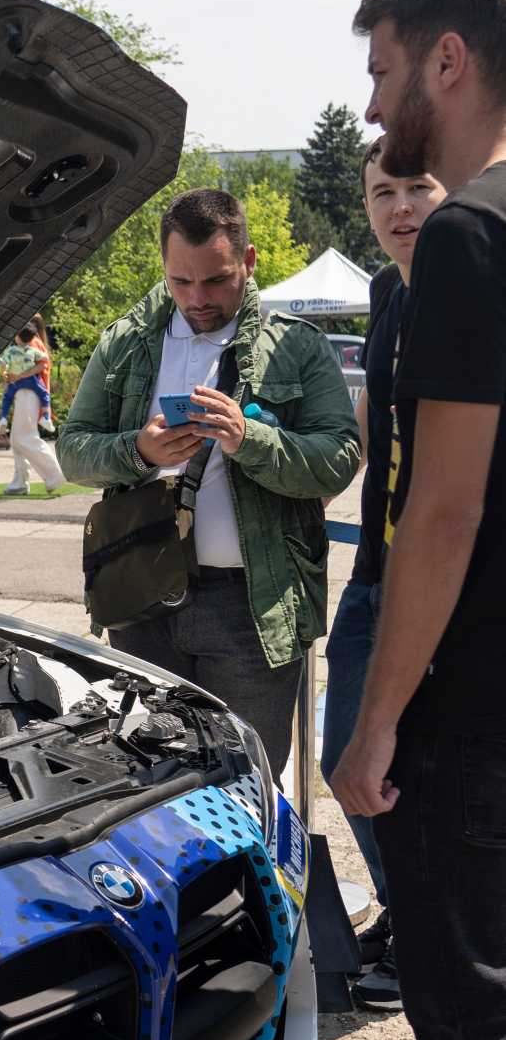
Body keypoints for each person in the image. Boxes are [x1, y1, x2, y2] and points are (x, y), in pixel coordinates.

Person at [332, 0, 506, 1040]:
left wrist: (376, 721)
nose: (374, 101)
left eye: (383, 68)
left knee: (467, 1012)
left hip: (474, 698)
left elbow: (441, 512)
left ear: (448, 61)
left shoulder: (466, 238)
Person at [58, 188, 360, 779]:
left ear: (248, 261)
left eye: (216, 280)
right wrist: (138, 451)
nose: (197, 298)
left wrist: (249, 439)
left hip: (252, 609)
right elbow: (73, 452)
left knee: (244, 784)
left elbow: (340, 459)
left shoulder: (296, 345)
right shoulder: (125, 343)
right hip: (142, 598)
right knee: (148, 783)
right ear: (164, 267)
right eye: (181, 281)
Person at [319, 138, 445, 1012]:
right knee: (345, 757)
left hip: (448, 581)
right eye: (382, 192)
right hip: (376, 571)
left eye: (417, 187)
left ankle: (431, 936)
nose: (400, 208)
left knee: (430, 768)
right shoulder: (386, 291)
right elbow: (373, 424)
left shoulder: (475, 287)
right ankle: (408, 915)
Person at [0, 316, 65, 496]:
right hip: (28, 394)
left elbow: (40, 366)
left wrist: (17, 376)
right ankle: (20, 482)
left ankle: (55, 474)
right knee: (17, 439)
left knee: (24, 437)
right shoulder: (36, 342)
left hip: (28, 394)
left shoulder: (32, 344)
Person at [0, 326, 56, 436]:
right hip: (30, 380)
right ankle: (46, 418)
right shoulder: (33, 351)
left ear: (17, 337)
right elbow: (45, 360)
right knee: (44, 394)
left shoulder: (11, 351)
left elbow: (3, 362)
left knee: (7, 398)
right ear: (31, 339)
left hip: (15, 381)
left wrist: (4, 373)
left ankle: (3, 418)